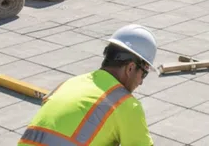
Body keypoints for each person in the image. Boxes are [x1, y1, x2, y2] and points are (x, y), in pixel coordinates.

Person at [19, 24, 157, 146]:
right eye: (144, 74)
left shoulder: (70, 83)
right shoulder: (126, 105)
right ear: (131, 68)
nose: (141, 82)